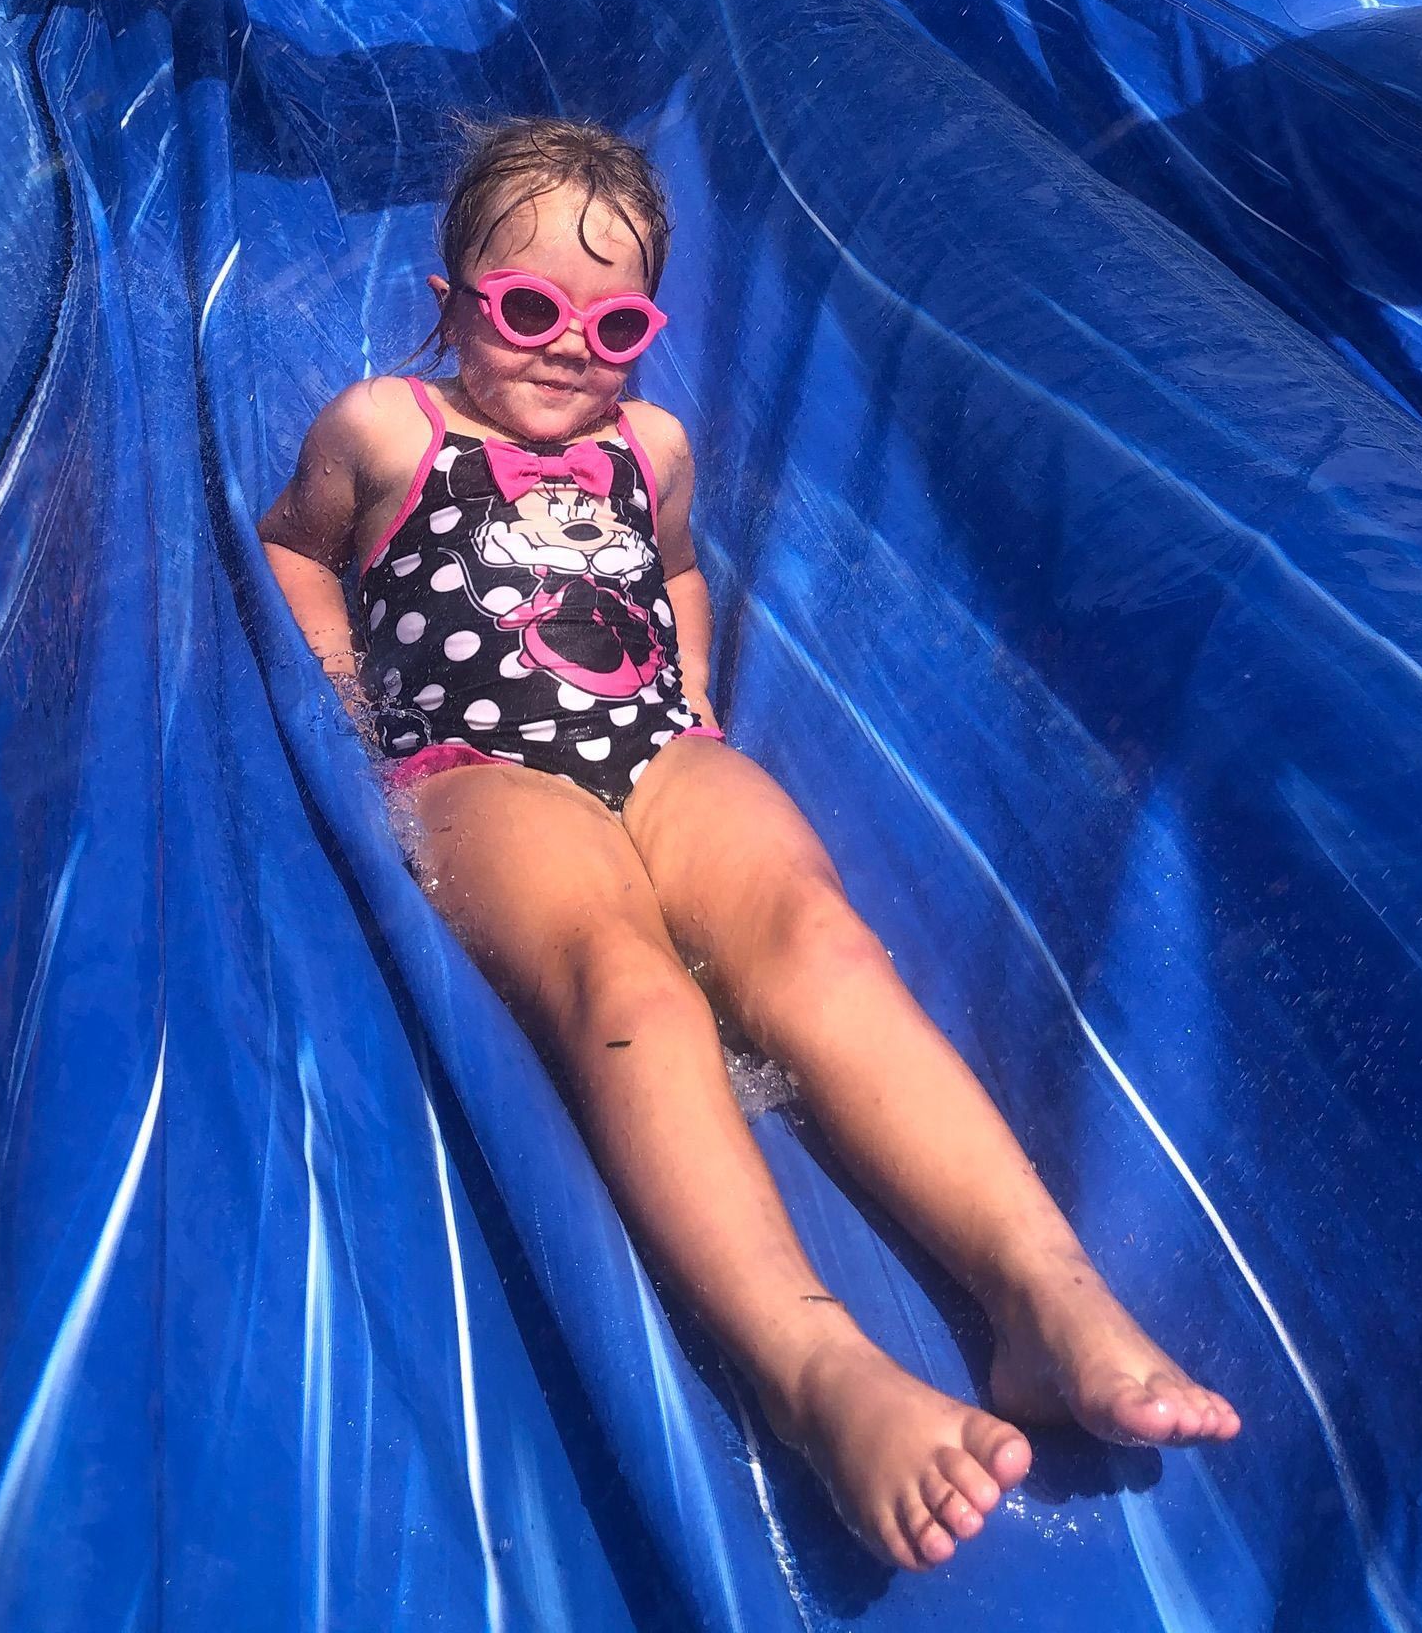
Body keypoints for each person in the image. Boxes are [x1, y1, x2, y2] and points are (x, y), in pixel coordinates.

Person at [260, 117, 1239, 1573]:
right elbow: (297, 547)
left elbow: (671, 569)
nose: (566, 347)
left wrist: (696, 682)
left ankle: (1043, 1291)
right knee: (629, 983)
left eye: (614, 322)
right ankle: (820, 1375)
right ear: (453, 300)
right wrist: (350, 700)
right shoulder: (390, 428)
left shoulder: (648, 445)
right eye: (526, 308)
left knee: (824, 939)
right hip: (482, 767)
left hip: (662, 750)